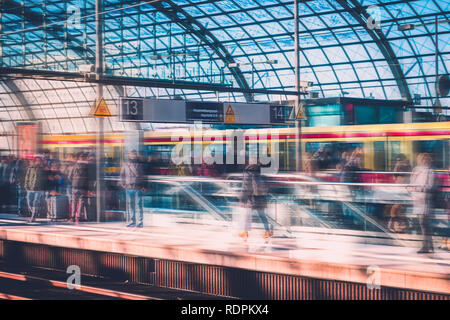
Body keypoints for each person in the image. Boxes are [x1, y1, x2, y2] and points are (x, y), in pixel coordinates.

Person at [408, 153, 435, 254]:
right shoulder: (416, 170)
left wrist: (417, 188)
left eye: (425, 159)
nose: (424, 161)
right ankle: (430, 246)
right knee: (423, 224)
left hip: (425, 201)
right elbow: (411, 183)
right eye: (422, 159)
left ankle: (425, 247)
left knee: (424, 224)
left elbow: (430, 186)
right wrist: (412, 189)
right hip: (417, 200)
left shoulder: (430, 171)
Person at [239, 161, 272, 240]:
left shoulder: (248, 173)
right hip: (261, 196)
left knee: (247, 215)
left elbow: (246, 186)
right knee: (262, 215)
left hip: (252, 197)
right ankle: (267, 231)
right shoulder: (259, 171)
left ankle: (245, 232)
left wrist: (242, 198)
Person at [120, 150, 145, 228]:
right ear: (129, 155)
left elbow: (143, 176)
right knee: (130, 205)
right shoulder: (125, 164)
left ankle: (140, 221)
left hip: (138, 187)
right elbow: (122, 176)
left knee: (138, 205)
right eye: (132, 154)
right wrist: (123, 185)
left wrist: (143, 186)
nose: (133, 156)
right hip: (129, 187)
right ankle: (132, 221)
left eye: (134, 154)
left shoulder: (140, 164)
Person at [68, 152, 90, 223]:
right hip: (83, 187)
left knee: (74, 201)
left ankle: (73, 216)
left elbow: (69, 177)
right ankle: (79, 216)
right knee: (81, 202)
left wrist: (73, 182)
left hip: (75, 186)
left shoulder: (74, 166)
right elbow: (88, 178)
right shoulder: (87, 167)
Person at [24, 156, 45, 222]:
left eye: (39, 160)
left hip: (39, 188)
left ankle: (33, 216)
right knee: (29, 202)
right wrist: (26, 186)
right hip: (30, 188)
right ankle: (35, 212)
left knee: (35, 202)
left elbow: (45, 179)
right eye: (37, 160)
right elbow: (27, 177)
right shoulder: (30, 168)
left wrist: (43, 188)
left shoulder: (42, 168)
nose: (38, 161)